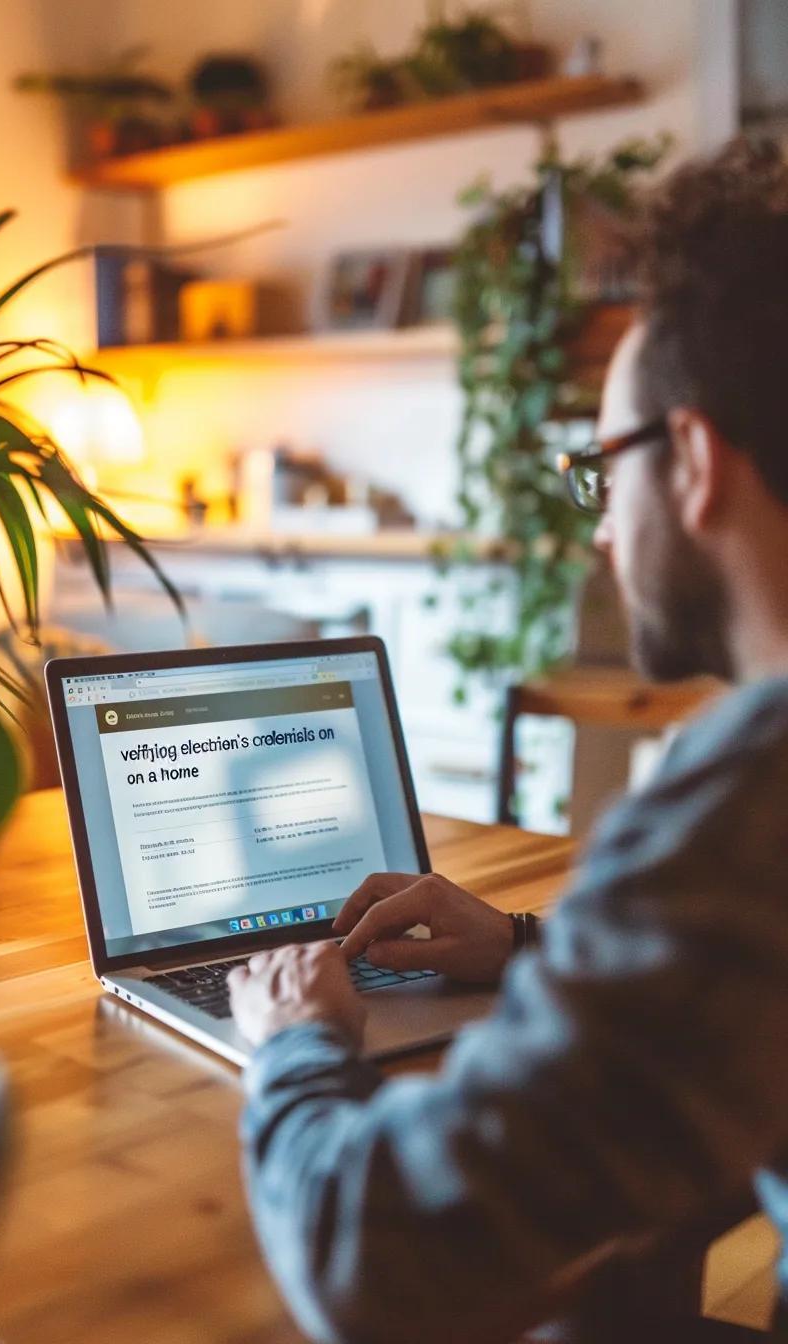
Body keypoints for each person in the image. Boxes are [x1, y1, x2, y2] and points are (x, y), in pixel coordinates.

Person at [227, 139, 788, 1343]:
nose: (598, 531)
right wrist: (532, 949)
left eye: (603, 469)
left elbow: (369, 1258)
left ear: (693, 463)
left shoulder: (757, 789)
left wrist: (295, 1044)